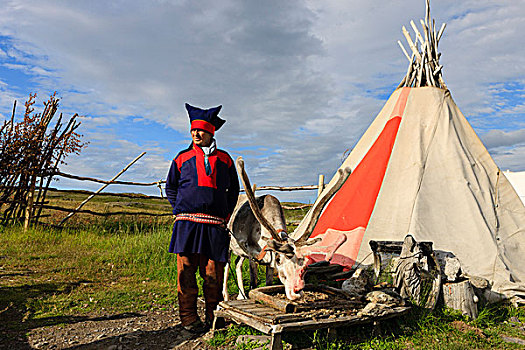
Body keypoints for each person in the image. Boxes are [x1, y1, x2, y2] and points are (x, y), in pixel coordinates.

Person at [165, 103, 239, 333]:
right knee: (186, 272)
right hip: (187, 225)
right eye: (193, 131)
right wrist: (180, 209)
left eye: (201, 130)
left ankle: (213, 317)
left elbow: (234, 191)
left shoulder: (225, 160)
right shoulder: (181, 158)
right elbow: (171, 187)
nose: (196, 134)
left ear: (211, 132)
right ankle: (188, 318)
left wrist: (225, 213)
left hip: (215, 226)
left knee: (213, 274)